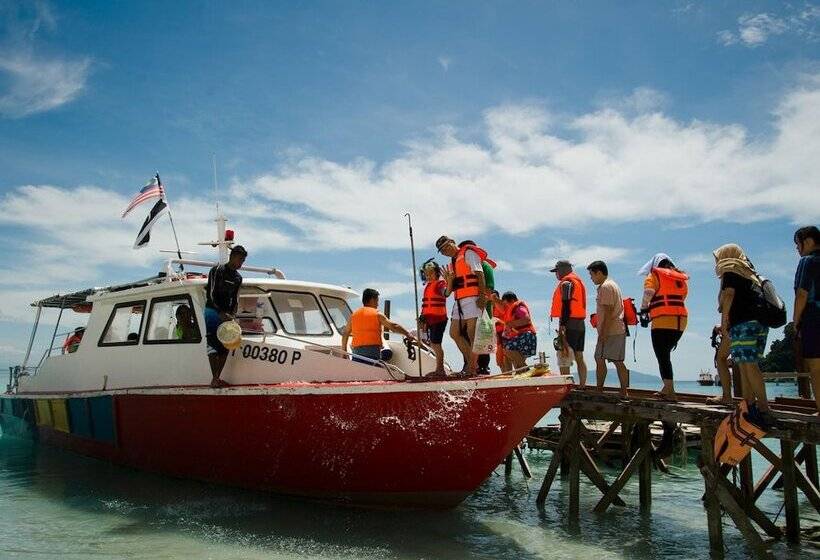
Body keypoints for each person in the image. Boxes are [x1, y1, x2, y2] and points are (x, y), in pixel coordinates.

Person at [714, 243, 775, 426]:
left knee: (748, 364)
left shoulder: (730, 269)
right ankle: (749, 405)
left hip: (744, 323)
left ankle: (763, 409)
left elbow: (730, 295)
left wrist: (725, 322)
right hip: (759, 323)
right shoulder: (748, 272)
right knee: (746, 363)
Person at [436, 236, 494, 376]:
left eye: (446, 246)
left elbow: (479, 274)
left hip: (473, 298)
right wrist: (449, 280)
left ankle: (472, 369)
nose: (445, 251)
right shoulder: (453, 262)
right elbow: (449, 291)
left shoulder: (468, 252)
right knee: (454, 333)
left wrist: (481, 296)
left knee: (472, 333)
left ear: (452, 242)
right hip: (459, 301)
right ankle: (470, 364)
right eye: (442, 250)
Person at [638, 253, 688, 401]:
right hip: (681, 320)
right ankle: (666, 388)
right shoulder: (680, 277)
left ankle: (671, 393)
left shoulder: (655, 275)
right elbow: (683, 296)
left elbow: (648, 292)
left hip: (662, 319)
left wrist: (644, 310)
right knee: (666, 353)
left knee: (662, 356)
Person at [205, 245, 247, 388]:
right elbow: (210, 294)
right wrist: (219, 312)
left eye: (243, 261)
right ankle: (215, 378)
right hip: (212, 310)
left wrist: (233, 314)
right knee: (212, 344)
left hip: (227, 313)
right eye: (240, 259)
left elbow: (235, 298)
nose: (241, 263)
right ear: (232, 256)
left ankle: (217, 377)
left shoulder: (238, 278)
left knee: (227, 345)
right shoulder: (217, 270)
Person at [587, 260, 629, 398]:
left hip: (612, 330)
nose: (591, 278)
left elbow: (609, 311)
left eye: (592, 275)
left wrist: (603, 332)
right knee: (603, 359)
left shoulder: (606, 287)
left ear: (599, 272)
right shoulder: (612, 285)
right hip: (615, 329)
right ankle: (616, 390)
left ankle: (620, 390)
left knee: (612, 360)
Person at [341, 288, 413, 365]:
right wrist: (407, 334)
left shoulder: (353, 316)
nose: (378, 304)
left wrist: (344, 352)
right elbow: (393, 327)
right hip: (372, 353)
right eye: (377, 301)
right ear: (372, 299)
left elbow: (345, 333)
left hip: (356, 354)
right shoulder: (377, 314)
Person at [458, 240, 497, 375]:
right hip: (468, 306)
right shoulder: (463, 265)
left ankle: (483, 367)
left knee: (482, 335)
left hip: (482, 305)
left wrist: (482, 301)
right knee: (466, 335)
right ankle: (468, 364)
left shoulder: (484, 266)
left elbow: (489, 287)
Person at [793, 226, 820, 411]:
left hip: (814, 316)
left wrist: (796, 322)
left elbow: (802, 294)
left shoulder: (808, 261)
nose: (797, 249)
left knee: (816, 367)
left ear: (808, 242)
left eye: (798, 244)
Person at [549, 260, 588, 385]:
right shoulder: (577, 282)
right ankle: (582, 384)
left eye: (557, 271)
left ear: (563, 269)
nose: (556, 274)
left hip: (569, 323)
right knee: (579, 356)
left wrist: (562, 325)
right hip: (580, 323)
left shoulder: (566, 283)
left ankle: (566, 386)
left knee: (563, 354)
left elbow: (566, 305)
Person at [419, 260, 449, 377]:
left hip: (439, 318)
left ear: (437, 273)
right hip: (429, 319)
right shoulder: (428, 286)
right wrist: (422, 318)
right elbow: (426, 304)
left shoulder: (440, 284)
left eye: (431, 273)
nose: (428, 276)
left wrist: (449, 281)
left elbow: (445, 293)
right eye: (426, 274)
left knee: (436, 344)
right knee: (433, 343)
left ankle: (440, 370)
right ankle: (439, 369)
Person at [497, 291, 537, 369]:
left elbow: (526, 319)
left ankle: (525, 369)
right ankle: (523, 373)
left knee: (507, 349)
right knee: (516, 361)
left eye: (506, 304)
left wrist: (511, 324)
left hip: (526, 336)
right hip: (523, 337)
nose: (506, 307)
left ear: (511, 301)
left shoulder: (519, 308)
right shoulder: (513, 310)